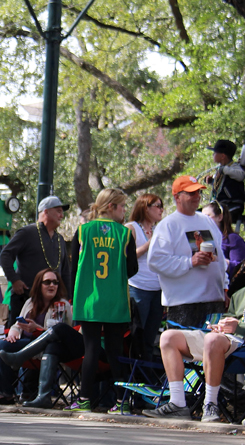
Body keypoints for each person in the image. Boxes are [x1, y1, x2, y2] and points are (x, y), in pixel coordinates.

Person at [148, 251, 245, 421]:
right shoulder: (244, 293)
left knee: (212, 340)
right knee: (168, 337)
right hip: (223, 342)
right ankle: (177, 403)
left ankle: (210, 405)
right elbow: (230, 318)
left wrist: (239, 328)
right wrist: (220, 325)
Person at [65, 188, 137, 412]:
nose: (125, 211)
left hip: (89, 300)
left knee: (92, 349)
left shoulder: (83, 231)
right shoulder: (125, 234)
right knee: (116, 351)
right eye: (122, 206)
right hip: (116, 300)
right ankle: (122, 401)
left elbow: (73, 267)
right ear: (111, 207)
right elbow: (132, 269)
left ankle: (84, 398)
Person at [0, 268, 75, 407]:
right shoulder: (31, 302)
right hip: (22, 341)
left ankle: (6, 393)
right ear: (39, 285)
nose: (52, 285)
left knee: (1, 347)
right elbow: (18, 324)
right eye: (47, 282)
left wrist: (36, 328)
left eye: (55, 282)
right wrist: (13, 332)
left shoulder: (62, 306)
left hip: (41, 347)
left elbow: (64, 333)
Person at [148, 176, 227, 328]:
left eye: (198, 192)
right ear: (177, 197)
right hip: (184, 304)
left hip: (214, 301)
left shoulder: (207, 221)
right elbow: (155, 261)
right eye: (191, 193)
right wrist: (190, 262)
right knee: (184, 349)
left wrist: (224, 286)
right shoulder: (168, 225)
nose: (197, 196)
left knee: (211, 349)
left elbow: (220, 258)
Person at [0, 195, 73, 323]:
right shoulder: (27, 232)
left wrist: (67, 299)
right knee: (19, 337)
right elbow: (5, 255)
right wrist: (14, 280)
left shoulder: (59, 239)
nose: (61, 216)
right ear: (46, 211)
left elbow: (65, 271)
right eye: (58, 211)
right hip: (26, 297)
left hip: (52, 302)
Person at [125, 193, 164, 360]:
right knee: (136, 333)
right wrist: (150, 243)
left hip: (159, 288)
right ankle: (132, 374)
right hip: (138, 286)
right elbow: (128, 256)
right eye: (157, 205)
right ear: (145, 207)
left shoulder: (160, 229)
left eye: (162, 206)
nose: (161, 209)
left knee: (151, 334)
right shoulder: (131, 228)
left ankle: (146, 376)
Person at [203, 201, 245, 293]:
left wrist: (222, 262)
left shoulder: (232, 239)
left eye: (208, 216)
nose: (204, 220)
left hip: (230, 290)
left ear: (220, 217)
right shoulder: (203, 240)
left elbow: (242, 267)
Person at [205, 139, 245, 219]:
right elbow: (221, 185)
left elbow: (241, 176)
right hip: (221, 204)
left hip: (233, 205)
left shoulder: (233, 167)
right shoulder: (219, 169)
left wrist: (224, 170)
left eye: (215, 153)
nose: (213, 155)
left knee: (214, 217)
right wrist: (212, 181)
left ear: (222, 156)